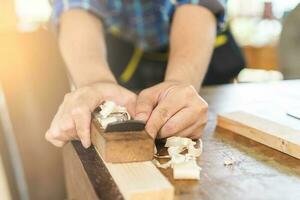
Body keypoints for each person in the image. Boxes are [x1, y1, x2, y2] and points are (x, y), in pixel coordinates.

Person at [45, 0, 225, 148]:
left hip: (195, 45)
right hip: (120, 48)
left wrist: (181, 81)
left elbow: (198, 4)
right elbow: (76, 6)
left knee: (189, 123)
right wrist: (96, 81)